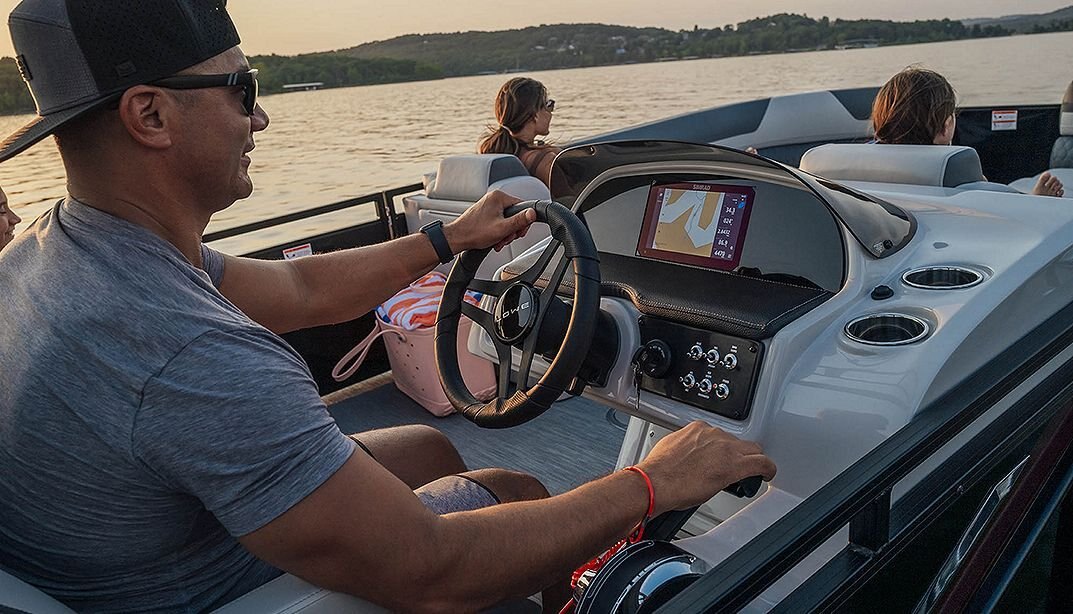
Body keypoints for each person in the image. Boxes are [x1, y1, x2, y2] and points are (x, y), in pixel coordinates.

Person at [0, 2, 776, 613]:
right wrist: (652, 482)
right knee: (519, 491)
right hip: (221, 592)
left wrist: (449, 239)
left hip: (138, 551)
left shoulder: (61, 247)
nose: (259, 119)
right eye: (244, 90)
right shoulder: (188, 354)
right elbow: (431, 567)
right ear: (150, 116)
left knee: (426, 449)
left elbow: (300, 290)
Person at [872, 66, 1065, 197]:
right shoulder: (968, 187)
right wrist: (1038, 200)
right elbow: (1012, 215)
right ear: (946, 127)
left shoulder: (867, 173)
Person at [478, 77, 564, 190]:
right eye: (549, 105)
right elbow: (570, 199)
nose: (551, 112)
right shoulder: (545, 161)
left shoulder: (492, 153)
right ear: (535, 115)